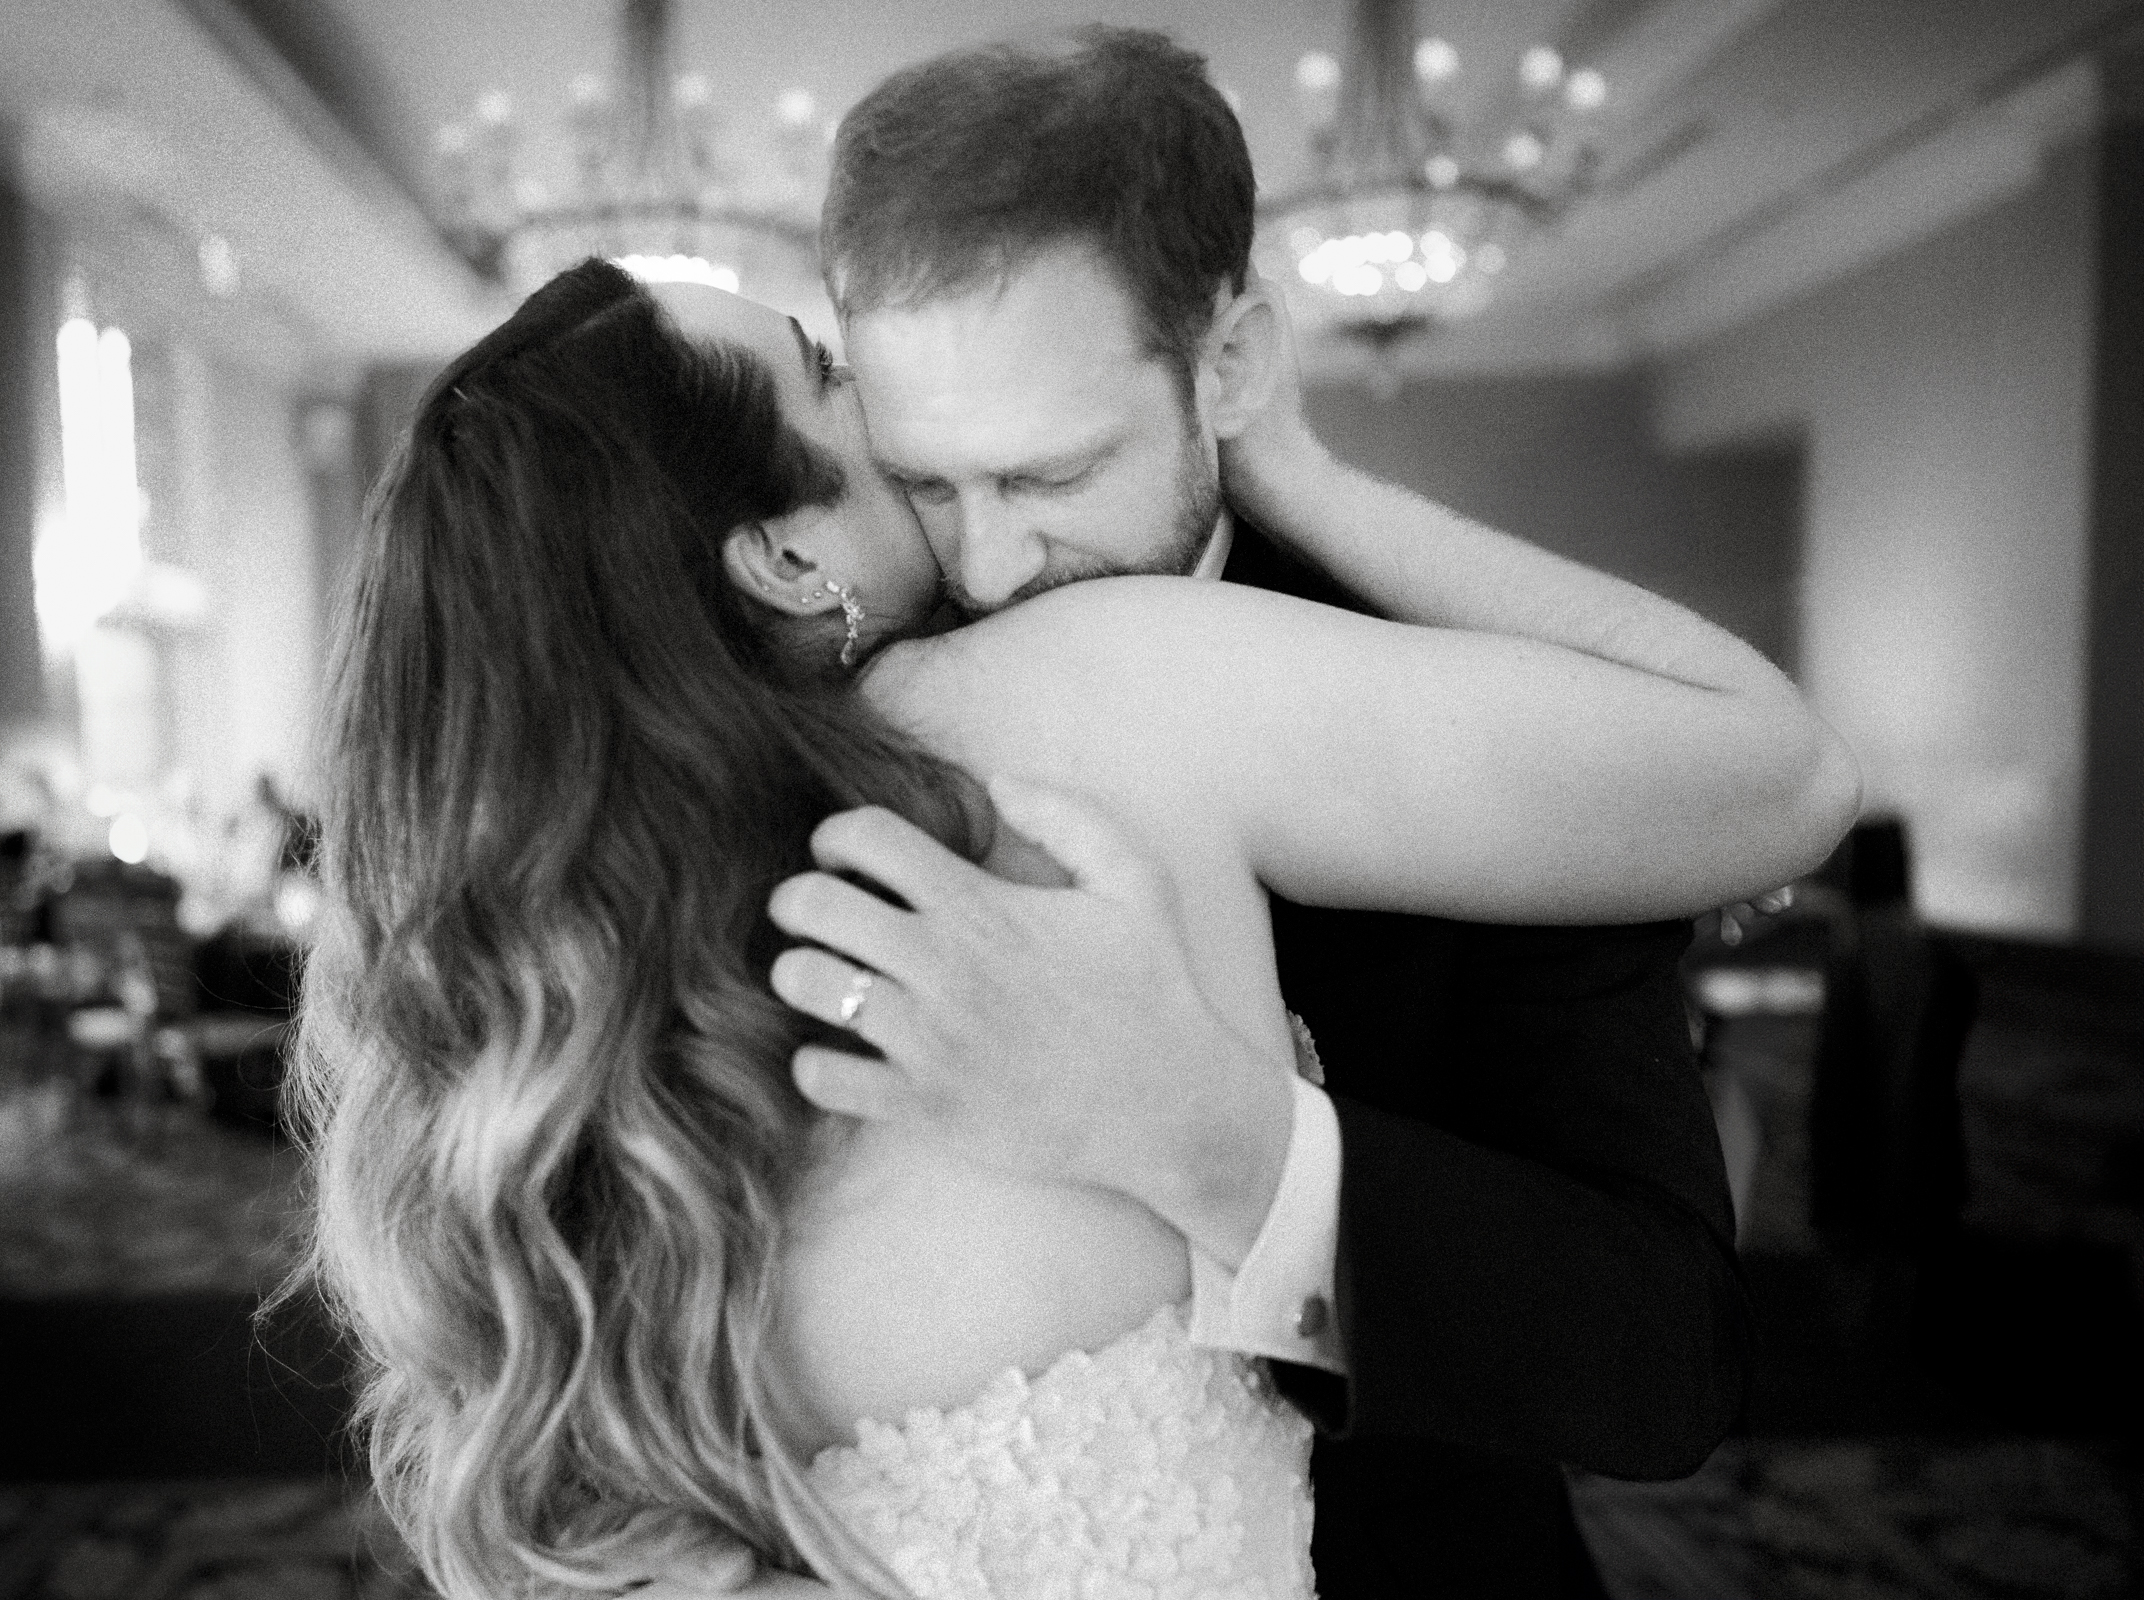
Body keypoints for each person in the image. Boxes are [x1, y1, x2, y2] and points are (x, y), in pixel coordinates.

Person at [291, 241, 1853, 1598]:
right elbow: (1780, 771)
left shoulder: (526, 1037)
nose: (908, 415)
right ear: (781, 553)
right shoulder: (1074, 690)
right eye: (832, 371)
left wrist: (1212, 1134)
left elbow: (1655, 1355)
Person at [658, 28, 1847, 1599]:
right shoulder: (843, 702)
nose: (989, 568)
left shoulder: (1484, 717)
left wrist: (1212, 1140)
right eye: (927, 483)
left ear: (1223, 368)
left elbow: (1661, 1363)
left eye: (1052, 475)